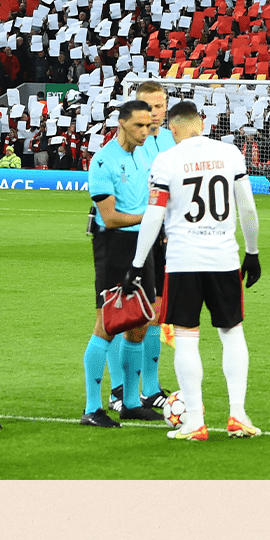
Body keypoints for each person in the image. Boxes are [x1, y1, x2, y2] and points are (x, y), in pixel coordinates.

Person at [132, 101, 263, 441]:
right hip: (224, 258)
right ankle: (238, 415)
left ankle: (195, 421)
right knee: (232, 333)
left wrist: (137, 263)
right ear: (201, 123)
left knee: (187, 339)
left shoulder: (167, 160)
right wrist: (253, 251)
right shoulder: (230, 154)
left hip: (183, 260)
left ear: (173, 129)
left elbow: (154, 215)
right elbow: (247, 205)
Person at [79, 100, 165, 428]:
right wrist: (151, 217)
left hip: (145, 243)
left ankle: (131, 401)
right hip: (114, 244)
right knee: (108, 324)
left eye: (149, 126)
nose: (145, 132)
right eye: (139, 126)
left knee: (142, 320)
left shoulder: (147, 154)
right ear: (122, 123)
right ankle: (92, 407)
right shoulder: (103, 160)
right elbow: (110, 217)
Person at [110, 81, 175, 415]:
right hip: (131, 235)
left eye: (161, 106)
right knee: (123, 313)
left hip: (162, 235)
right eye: (150, 107)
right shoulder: (126, 143)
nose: (156, 113)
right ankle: (120, 388)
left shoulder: (169, 139)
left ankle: (149, 388)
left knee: (156, 311)